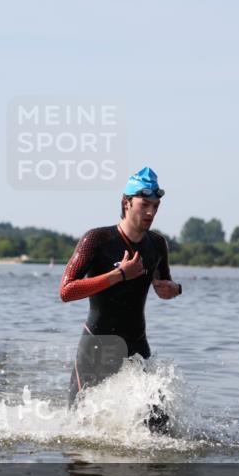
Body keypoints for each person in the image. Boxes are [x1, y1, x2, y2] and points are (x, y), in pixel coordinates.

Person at [59, 166, 182, 432]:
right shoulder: (97, 240)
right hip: (97, 344)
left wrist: (173, 289)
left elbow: (164, 282)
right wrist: (118, 275)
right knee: (78, 429)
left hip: (137, 343)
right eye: (145, 204)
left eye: (156, 206)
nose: (151, 212)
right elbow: (66, 291)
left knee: (160, 427)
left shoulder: (157, 244)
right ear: (126, 203)